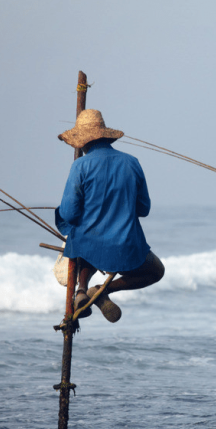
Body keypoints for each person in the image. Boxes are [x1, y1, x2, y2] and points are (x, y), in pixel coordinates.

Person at [55, 109, 164, 323]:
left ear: (82, 142)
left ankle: (83, 289)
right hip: (126, 246)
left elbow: (69, 213)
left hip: (88, 244)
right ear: (105, 136)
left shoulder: (80, 165)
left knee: (85, 239)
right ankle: (102, 290)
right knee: (155, 271)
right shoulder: (132, 162)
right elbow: (144, 209)